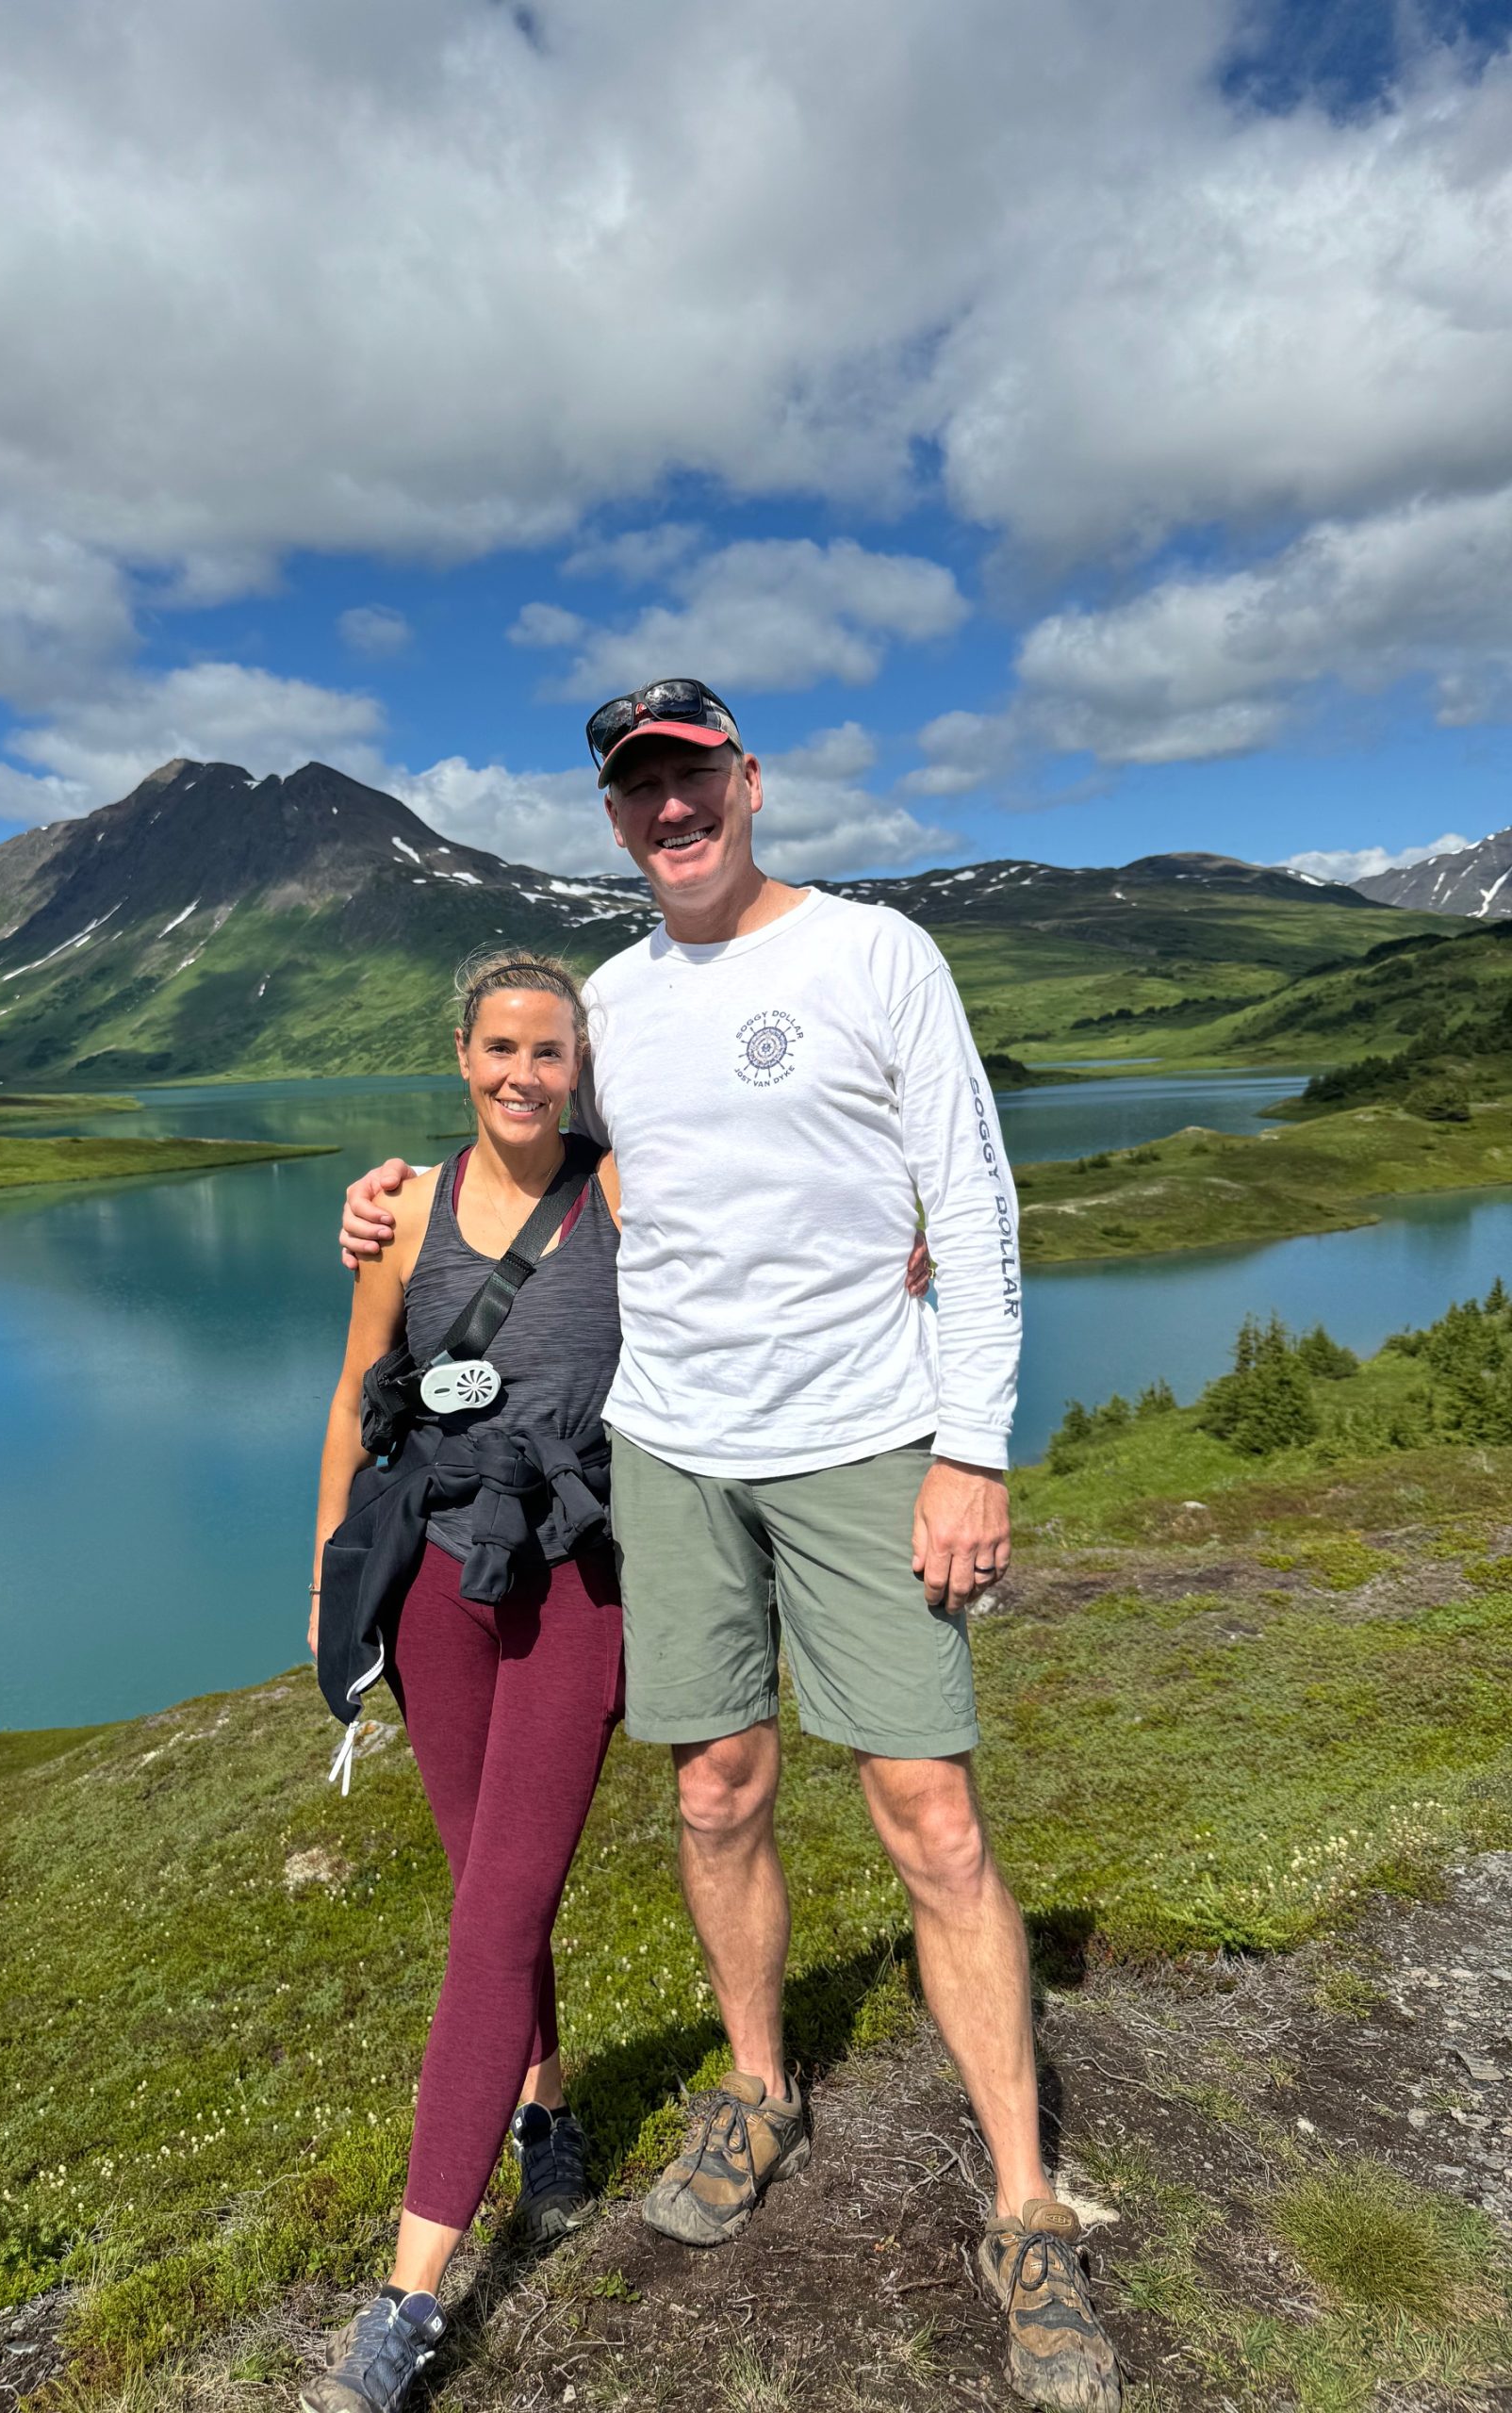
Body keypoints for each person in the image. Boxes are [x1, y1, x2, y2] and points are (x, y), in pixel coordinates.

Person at [340, 681, 1121, 2412]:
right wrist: (385, 1208)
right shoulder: (614, 1003)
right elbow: (550, 1160)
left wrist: (973, 1446)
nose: (672, 808)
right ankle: (760, 2089)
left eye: (694, 776)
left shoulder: (874, 955)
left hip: (864, 1444)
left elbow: (972, 1197)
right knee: (715, 1791)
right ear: (617, 819)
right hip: (674, 1456)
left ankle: (1026, 2206)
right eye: (640, 789)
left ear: (750, 783)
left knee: (931, 1814)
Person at [305, 951, 625, 2413]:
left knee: (495, 1915)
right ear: (461, 1054)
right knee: (486, 1883)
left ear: (579, 1066)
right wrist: (331, 1577)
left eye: (549, 1052)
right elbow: (353, 1392)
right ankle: (545, 2114)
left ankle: (408, 2301)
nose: (523, 1074)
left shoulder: (620, 1198)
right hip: (436, 1587)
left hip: (576, 1581)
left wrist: (915, 1247)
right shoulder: (404, 1214)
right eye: (501, 1048)